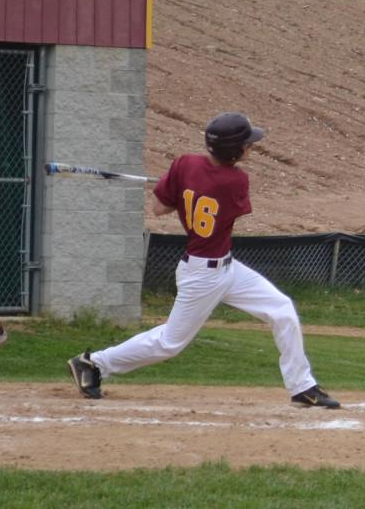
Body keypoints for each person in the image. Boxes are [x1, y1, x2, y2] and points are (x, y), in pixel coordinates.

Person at [68, 112, 340, 409]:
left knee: (282, 310)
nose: (252, 148)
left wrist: (183, 186)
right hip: (203, 274)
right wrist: (195, 188)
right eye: (247, 144)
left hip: (227, 268)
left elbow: (160, 207)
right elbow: (222, 203)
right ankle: (94, 364)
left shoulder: (185, 164)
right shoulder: (236, 181)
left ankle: (302, 386)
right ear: (232, 150)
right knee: (169, 343)